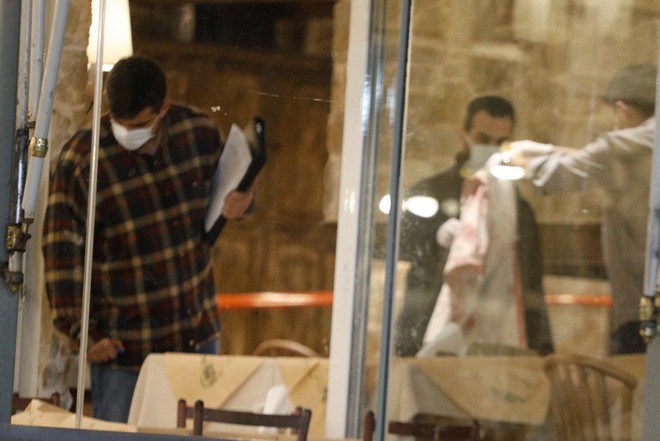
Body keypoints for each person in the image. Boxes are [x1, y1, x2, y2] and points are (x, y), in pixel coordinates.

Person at [42, 56, 254, 422]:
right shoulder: (81, 160)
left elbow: (231, 192)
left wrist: (244, 202)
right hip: (124, 348)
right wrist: (83, 333)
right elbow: (60, 253)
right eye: (118, 122)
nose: (127, 133)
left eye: (138, 125)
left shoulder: (198, 133)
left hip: (195, 335)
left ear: (163, 109)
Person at [507, 63, 656, 355]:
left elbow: (557, 176)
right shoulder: (644, 144)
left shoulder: (623, 145)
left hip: (644, 309)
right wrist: (547, 149)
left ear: (623, 109)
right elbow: (599, 161)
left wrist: (512, 159)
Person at [395, 96, 554, 356]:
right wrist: (437, 234)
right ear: (464, 135)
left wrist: (541, 348)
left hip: (496, 331)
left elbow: (530, 281)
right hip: (430, 325)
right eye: (483, 139)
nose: (491, 148)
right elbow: (401, 243)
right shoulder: (431, 191)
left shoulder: (520, 210)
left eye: (500, 142)